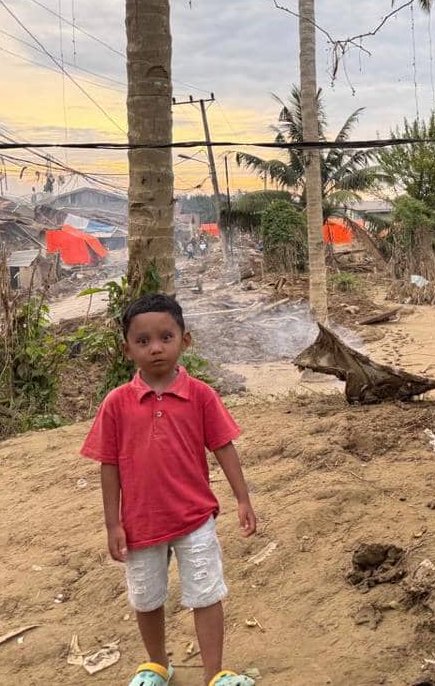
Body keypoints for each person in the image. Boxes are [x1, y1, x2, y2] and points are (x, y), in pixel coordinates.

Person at [80, 293, 258, 686]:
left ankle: (215, 674)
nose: (156, 348)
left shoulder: (201, 395)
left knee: (206, 593)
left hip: (195, 518)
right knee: (146, 598)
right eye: (143, 341)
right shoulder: (116, 404)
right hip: (140, 524)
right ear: (127, 349)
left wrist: (242, 498)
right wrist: (113, 525)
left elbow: (223, 446)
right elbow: (108, 467)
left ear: (185, 340)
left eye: (166, 337)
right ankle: (158, 665)